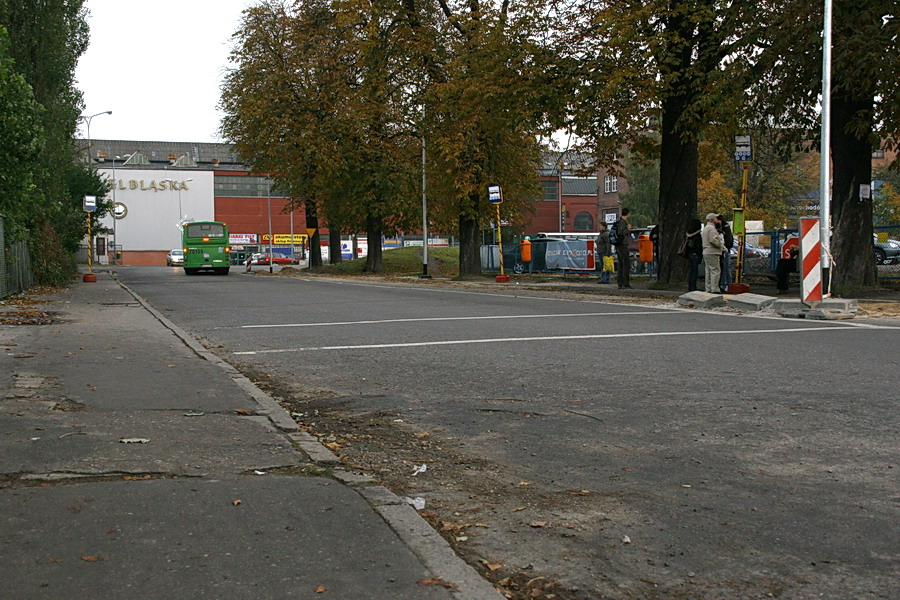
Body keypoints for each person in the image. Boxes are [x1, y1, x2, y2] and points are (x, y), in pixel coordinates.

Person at [701, 213, 724, 293]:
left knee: (708, 271)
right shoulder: (712, 229)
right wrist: (721, 246)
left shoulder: (706, 228)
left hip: (706, 251)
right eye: (716, 218)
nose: (717, 219)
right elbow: (713, 240)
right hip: (712, 251)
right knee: (715, 271)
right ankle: (714, 289)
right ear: (713, 219)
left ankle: (708, 288)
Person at [614, 209, 632, 289]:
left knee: (621, 264)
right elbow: (621, 232)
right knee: (625, 264)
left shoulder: (619, 221)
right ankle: (625, 283)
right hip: (622, 244)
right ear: (627, 214)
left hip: (619, 245)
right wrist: (628, 229)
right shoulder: (622, 222)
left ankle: (620, 283)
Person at [685, 218, 703, 291]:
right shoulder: (697, 235)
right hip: (696, 253)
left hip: (690, 253)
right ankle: (693, 286)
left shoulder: (689, 233)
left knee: (691, 270)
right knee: (695, 271)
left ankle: (690, 285)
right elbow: (698, 246)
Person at [718, 215, 734, 292]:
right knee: (726, 267)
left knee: (725, 267)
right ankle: (728, 284)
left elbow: (728, 239)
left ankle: (725, 284)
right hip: (726, 249)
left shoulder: (723, 229)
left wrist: (726, 247)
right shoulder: (727, 227)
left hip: (724, 249)